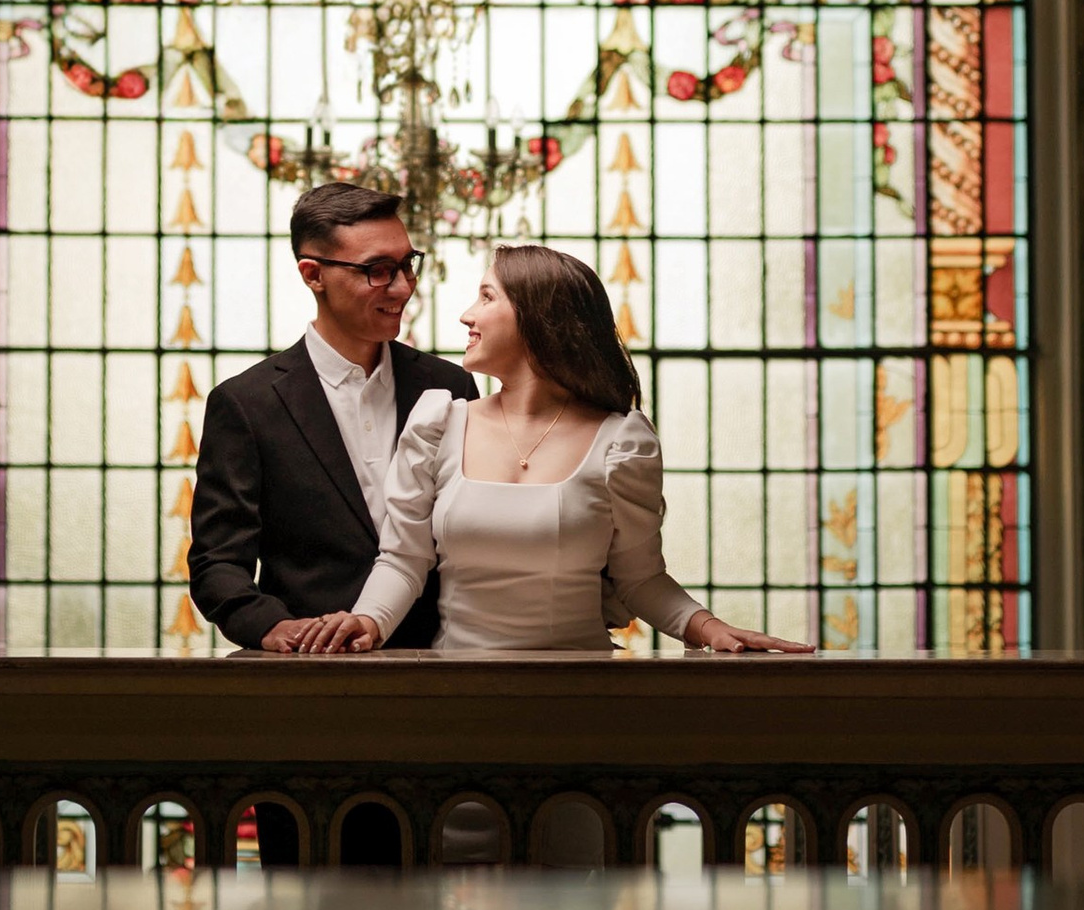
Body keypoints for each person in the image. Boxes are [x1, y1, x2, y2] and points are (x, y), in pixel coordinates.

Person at [297, 241, 812, 660]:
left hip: (581, 691)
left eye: (487, 297)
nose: (466, 315)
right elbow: (404, 561)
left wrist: (710, 628)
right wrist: (367, 621)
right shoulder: (439, 425)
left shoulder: (621, 443)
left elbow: (640, 579)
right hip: (457, 688)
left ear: (538, 317)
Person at [187, 183, 478, 654]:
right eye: (378, 270)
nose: (403, 287)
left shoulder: (450, 386)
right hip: (310, 664)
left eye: (407, 264)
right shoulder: (246, 403)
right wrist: (274, 628)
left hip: (442, 658)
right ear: (313, 274)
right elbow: (216, 563)